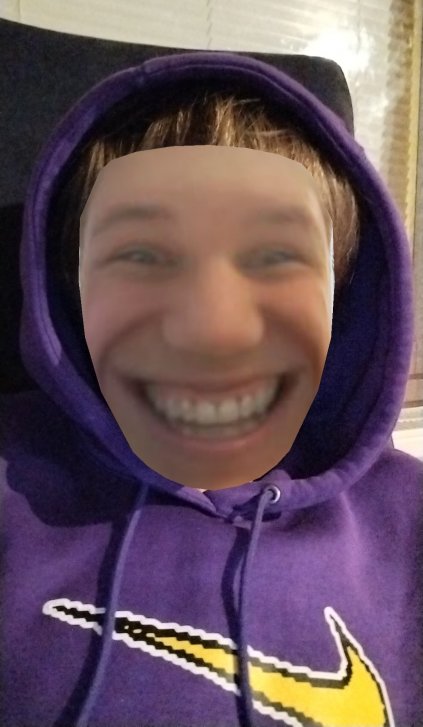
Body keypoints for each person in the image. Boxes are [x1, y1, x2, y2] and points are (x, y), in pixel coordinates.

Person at [1, 49, 422, 727]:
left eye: (275, 257)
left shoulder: (407, 522)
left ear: (341, 298)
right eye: (141, 255)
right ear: (71, 291)